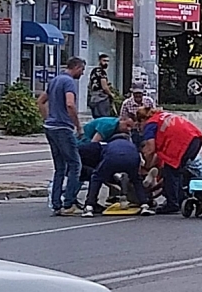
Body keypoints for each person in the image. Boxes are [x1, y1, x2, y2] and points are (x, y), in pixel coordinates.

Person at [37, 57, 86, 216]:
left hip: (50, 127)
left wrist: (47, 118)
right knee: (75, 164)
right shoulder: (69, 82)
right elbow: (70, 104)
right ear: (77, 67)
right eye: (82, 70)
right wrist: (78, 126)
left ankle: (56, 203)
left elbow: (41, 101)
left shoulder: (55, 80)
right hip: (63, 128)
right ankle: (69, 203)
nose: (83, 73)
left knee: (60, 167)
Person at [137, 108, 202, 214]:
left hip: (180, 144)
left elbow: (151, 148)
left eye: (139, 125)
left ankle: (172, 204)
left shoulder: (150, 124)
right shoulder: (162, 115)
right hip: (193, 139)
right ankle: (181, 199)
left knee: (170, 173)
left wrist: (147, 166)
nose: (140, 128)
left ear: (142, 120)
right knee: (177, 172)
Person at [82, 134, 154, 218]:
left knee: (96, 178)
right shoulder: (132, 145)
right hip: (132, 159)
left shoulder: (109, 144)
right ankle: (144, 205)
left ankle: (89, 206)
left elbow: (103, 156)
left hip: (112, 158)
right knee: (136, 180)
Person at [88, 54, 113, 118]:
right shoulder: (102, 72)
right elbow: (104, 86)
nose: (106, 63)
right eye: (104, 61)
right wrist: (111, 94)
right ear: (99, 61)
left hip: (93, 98)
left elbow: (90, 84)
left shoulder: (93, 71)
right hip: (101, 98)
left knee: (96, 117)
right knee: (104, 118)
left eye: (107, 61)